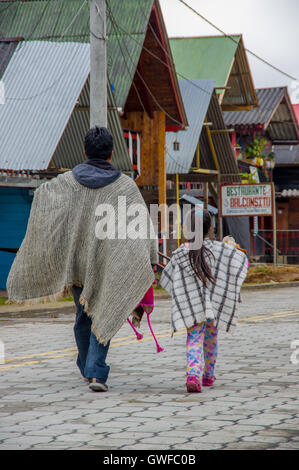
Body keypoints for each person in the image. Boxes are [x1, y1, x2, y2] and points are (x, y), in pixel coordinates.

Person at [7, 127, 157, 392]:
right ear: (112, 153)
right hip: (109, 265)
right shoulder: (125, 186)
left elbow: (43, 196)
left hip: (77, 266)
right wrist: (150, 257)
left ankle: (88, 368)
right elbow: (142, 229)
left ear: (84, 152)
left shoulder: (65, 183)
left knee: (83, 314)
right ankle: (96, 371)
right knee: (103, 311)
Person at [160, 208, 248, 393]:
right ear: (211, 228)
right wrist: (231, 246)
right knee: (211, 339)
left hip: (192, 306)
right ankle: (208, 375)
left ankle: (193, 375)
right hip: (213, 304)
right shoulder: (221, 250)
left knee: (194, 338)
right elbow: (241, 260)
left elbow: (168, 276)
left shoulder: (181, 252)